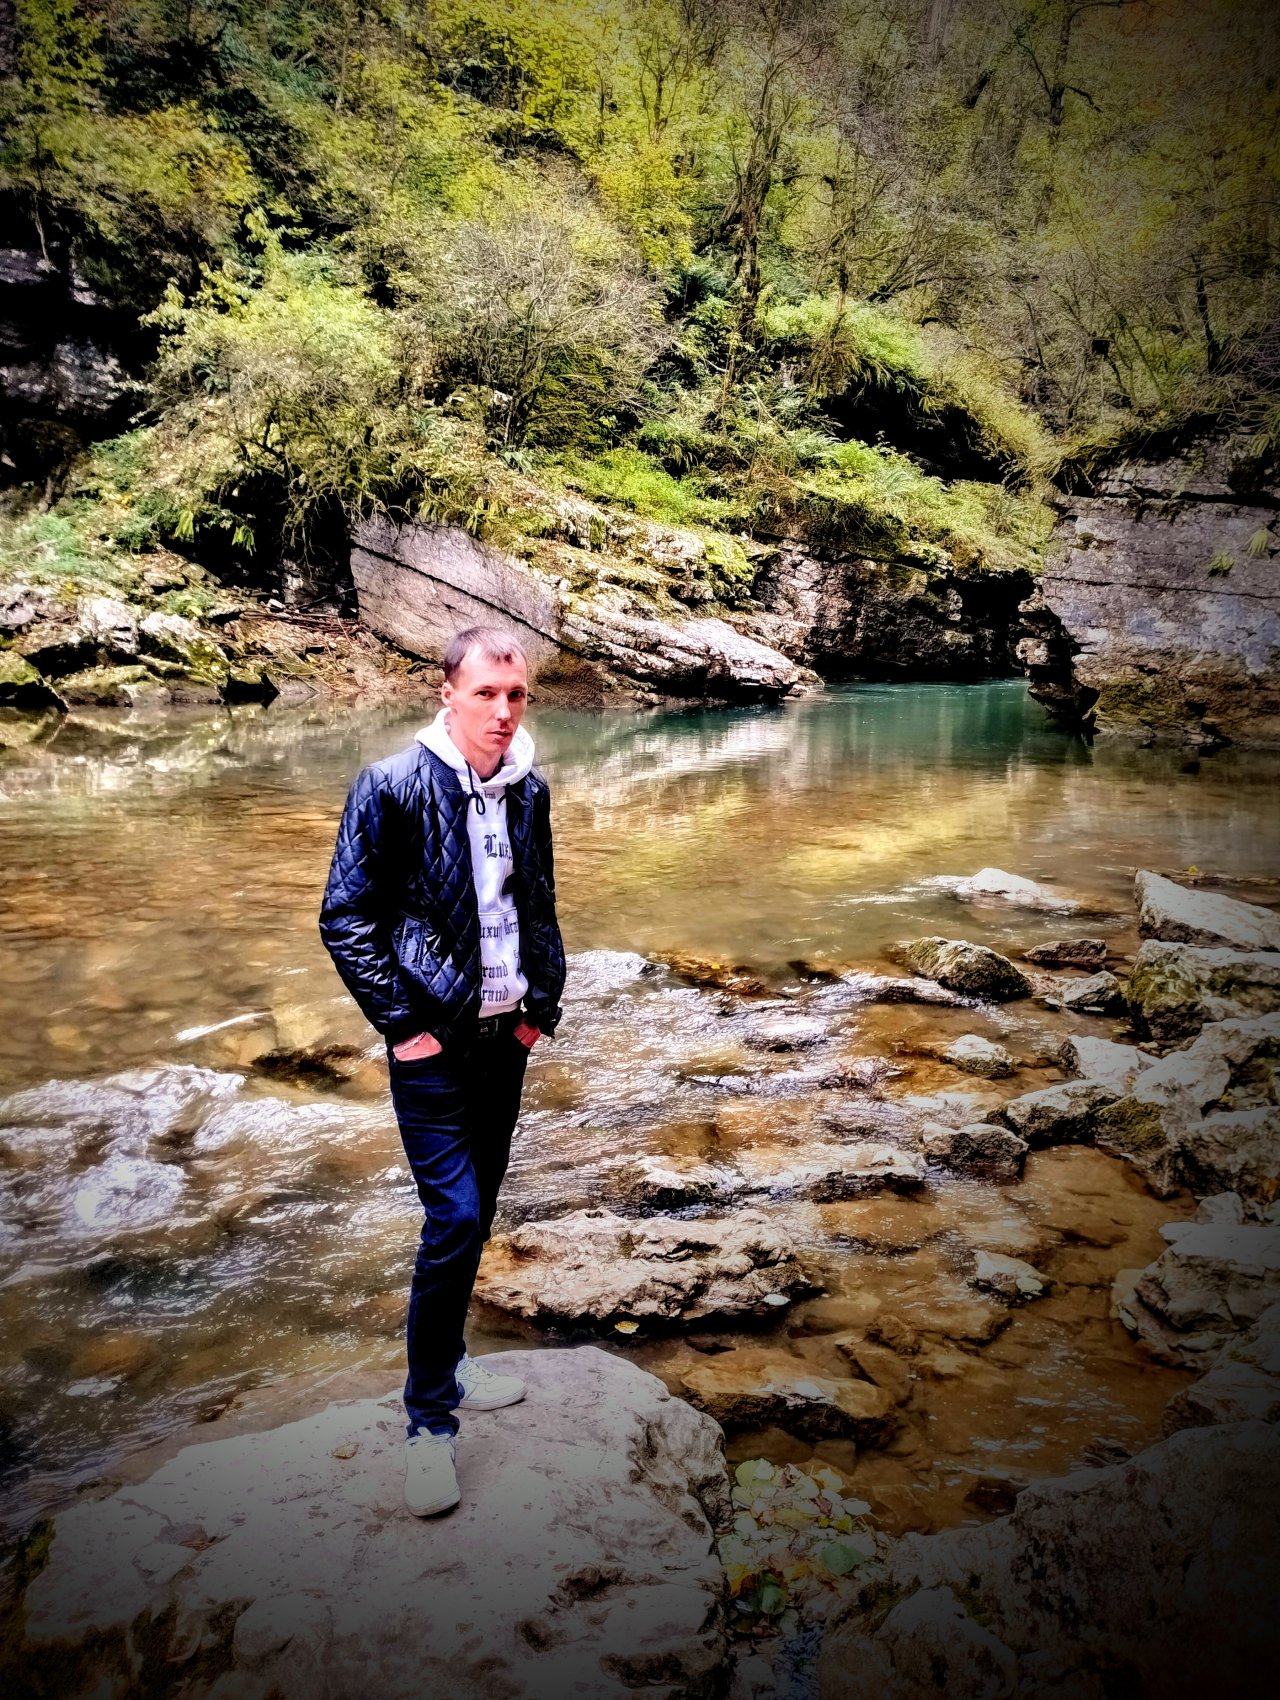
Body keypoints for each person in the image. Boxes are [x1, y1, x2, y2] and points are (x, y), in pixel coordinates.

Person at [319, 625, 565, 1517]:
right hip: (432, 1045)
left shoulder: (529, 790)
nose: (503, 712)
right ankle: (429, 1424)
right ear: (448, 693)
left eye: (516, 695)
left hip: (506, 1040)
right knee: (454, 1218)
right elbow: (346, 918)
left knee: (478, 1214)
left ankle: (452, 1367)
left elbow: (537, 905)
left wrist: (540, 1010)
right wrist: (404, 1028)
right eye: (485, 694)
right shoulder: (390, 785)